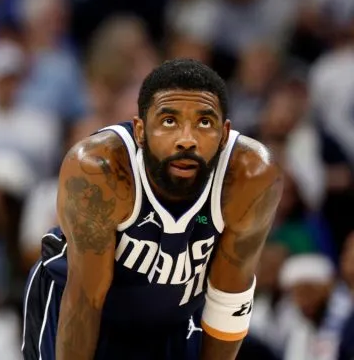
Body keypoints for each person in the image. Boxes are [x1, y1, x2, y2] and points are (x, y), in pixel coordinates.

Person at [21, 59, 283, 360]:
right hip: (80, 308)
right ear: (140, 130)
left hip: (173, 322)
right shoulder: (100, 168)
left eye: (204, 122)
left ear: (225, 134)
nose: (187, 140)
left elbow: (228, 298)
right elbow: (86, 300)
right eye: (169, 121)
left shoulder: (250, 176)